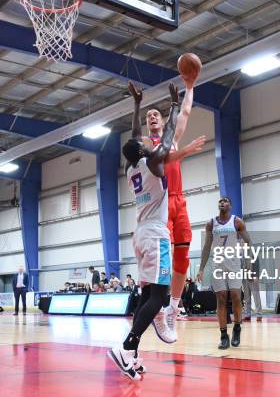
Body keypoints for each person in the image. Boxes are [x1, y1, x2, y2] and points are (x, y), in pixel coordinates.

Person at [107, 81, 179, 381]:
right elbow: (169, 136)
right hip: (155, 234)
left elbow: (135, 138)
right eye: (147, 144)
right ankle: (126, 346)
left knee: (148, 295)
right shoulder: (151, 163)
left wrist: (136, 105)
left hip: (141, 234)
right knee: (160, 297)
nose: (150, 143)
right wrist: (174, 107)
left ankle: (132, 353)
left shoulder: (131, 168)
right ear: (144, 151)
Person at [143, 72, 206, 342]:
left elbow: (186, 111)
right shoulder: (146, 145)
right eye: (149, 116)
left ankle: (174, 307)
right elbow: (160, 158)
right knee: (162, 260)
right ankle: (157, 308)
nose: (153, 117)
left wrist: (189, 87)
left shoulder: (174, 138)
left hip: (179, 200)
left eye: (156, 113)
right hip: (159, 203)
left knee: (183, 257)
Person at [197, 197, 252, 349]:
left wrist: (248, 261)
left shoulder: (237, 222)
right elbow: (207, 246)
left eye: (226, 201)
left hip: (234, 263)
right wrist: (201, 268)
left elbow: (248, 241)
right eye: (220, 201)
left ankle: (237, 328)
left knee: (235, 296)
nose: (222, 202)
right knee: (221, 299)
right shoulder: (211, 223)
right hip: (218, 263)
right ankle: (223, 335)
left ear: (231, 205)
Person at [242, 252, 262, 322]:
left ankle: (259, 315)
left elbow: (256, 264)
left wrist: (256, 275)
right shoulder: (240, 253)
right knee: (247, 298)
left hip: (252, 277)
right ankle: (247, 315)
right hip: (244, 278)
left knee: (256, 296)